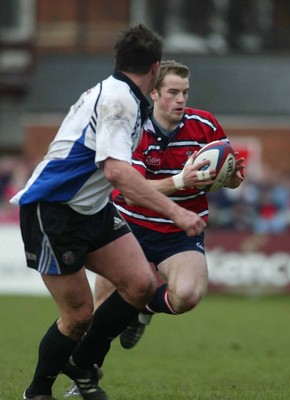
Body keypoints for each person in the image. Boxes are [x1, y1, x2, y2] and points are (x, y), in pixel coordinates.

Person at [10, 26, 206, 400]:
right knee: (79, 316)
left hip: (93, 208)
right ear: (155, 66)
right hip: (54, 210)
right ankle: (38, 391)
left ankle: (83, 367)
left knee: (141, 284)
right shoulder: (119, 101)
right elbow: (117, 172)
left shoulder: (128, 95)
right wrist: (177, 212)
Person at [63, 59, 245, 398]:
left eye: (185, 93)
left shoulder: (205, 125)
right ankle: (83, 381)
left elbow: (228, 178)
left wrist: (230, 178)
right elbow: (132, 192)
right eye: (172, 92)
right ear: (155, 93)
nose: (180, 100)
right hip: (125, 228)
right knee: (99, 315)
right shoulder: (135, 127)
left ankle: (142, 309)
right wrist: (181, 180)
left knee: (188, 295)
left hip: (179, 233)